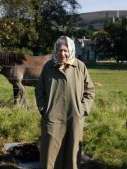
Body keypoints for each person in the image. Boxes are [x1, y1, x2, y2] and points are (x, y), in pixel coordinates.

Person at [35, 36, 95, 169]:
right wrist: (43, 108)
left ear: (71, 51)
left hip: (74, 116)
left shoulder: (80, 66)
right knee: (50, 153)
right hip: (52, 117)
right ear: (56, 51)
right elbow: (39, 90)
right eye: (60, 50)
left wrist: (83, 109)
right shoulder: (48, 67)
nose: (63, 54)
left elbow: (89, 90)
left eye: (66, 51)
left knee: (72, 153)